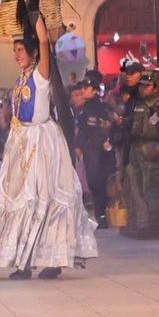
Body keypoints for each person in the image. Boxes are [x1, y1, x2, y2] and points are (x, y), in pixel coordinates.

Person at [0, 0, 98, 278]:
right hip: (22, 143)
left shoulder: (41, 75)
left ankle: (52, 259)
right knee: (21, 199)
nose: (16, 55)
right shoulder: (20, 80)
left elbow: (43, 43)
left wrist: (35, 16)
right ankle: (23, 261)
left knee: (44, 198)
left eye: (20, 50)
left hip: (43, 143)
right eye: (14, 50)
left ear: (32, 53)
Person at [120, 62, 159, 239]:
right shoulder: (138, 104)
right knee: (137, 188)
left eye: (147, 86)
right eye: (141, 86)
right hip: (136, 148)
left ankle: (153, 227)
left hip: (152, 148)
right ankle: (143, 223)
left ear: (154, 87)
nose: (143, 89)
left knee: (152, 189)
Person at [70, 81, 116, 225]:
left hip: (98, 151)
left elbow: (105, 128)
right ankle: (100, 214)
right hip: (89, 151)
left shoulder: (100, 108)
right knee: (94, 182)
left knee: (98, 182)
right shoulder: (85, 109)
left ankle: (102, 215)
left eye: (86, 88)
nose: (83, 91)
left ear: (95, 90)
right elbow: (83, 130)